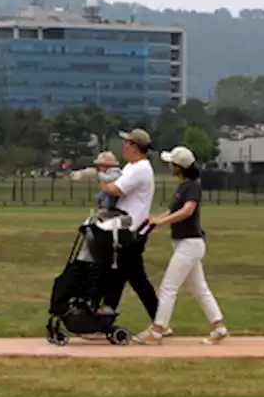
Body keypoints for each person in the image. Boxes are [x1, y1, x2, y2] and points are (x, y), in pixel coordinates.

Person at [133, 146, 230, 345]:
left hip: (190, 243)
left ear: (179, 167)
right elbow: (170, 211)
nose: (168, 166)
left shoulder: (193, 186)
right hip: (185, 244)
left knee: (169, 287)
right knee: (199, 288)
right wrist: (153, 219)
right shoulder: (183, 186)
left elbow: (187, 211)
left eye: (171, 163)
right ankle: (219, 327)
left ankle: (157, 330)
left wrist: (161, 222)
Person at [97, 129, 163, 329]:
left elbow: (114, 189)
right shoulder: (132, 167)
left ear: (134, 146)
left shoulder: (140, 168)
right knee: (121, 274)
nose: (124, 146)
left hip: (132, 231)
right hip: (126, 230)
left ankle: (160, 322)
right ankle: (105, 315)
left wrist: (100, 174)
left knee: (132, 277)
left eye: (127, 143)